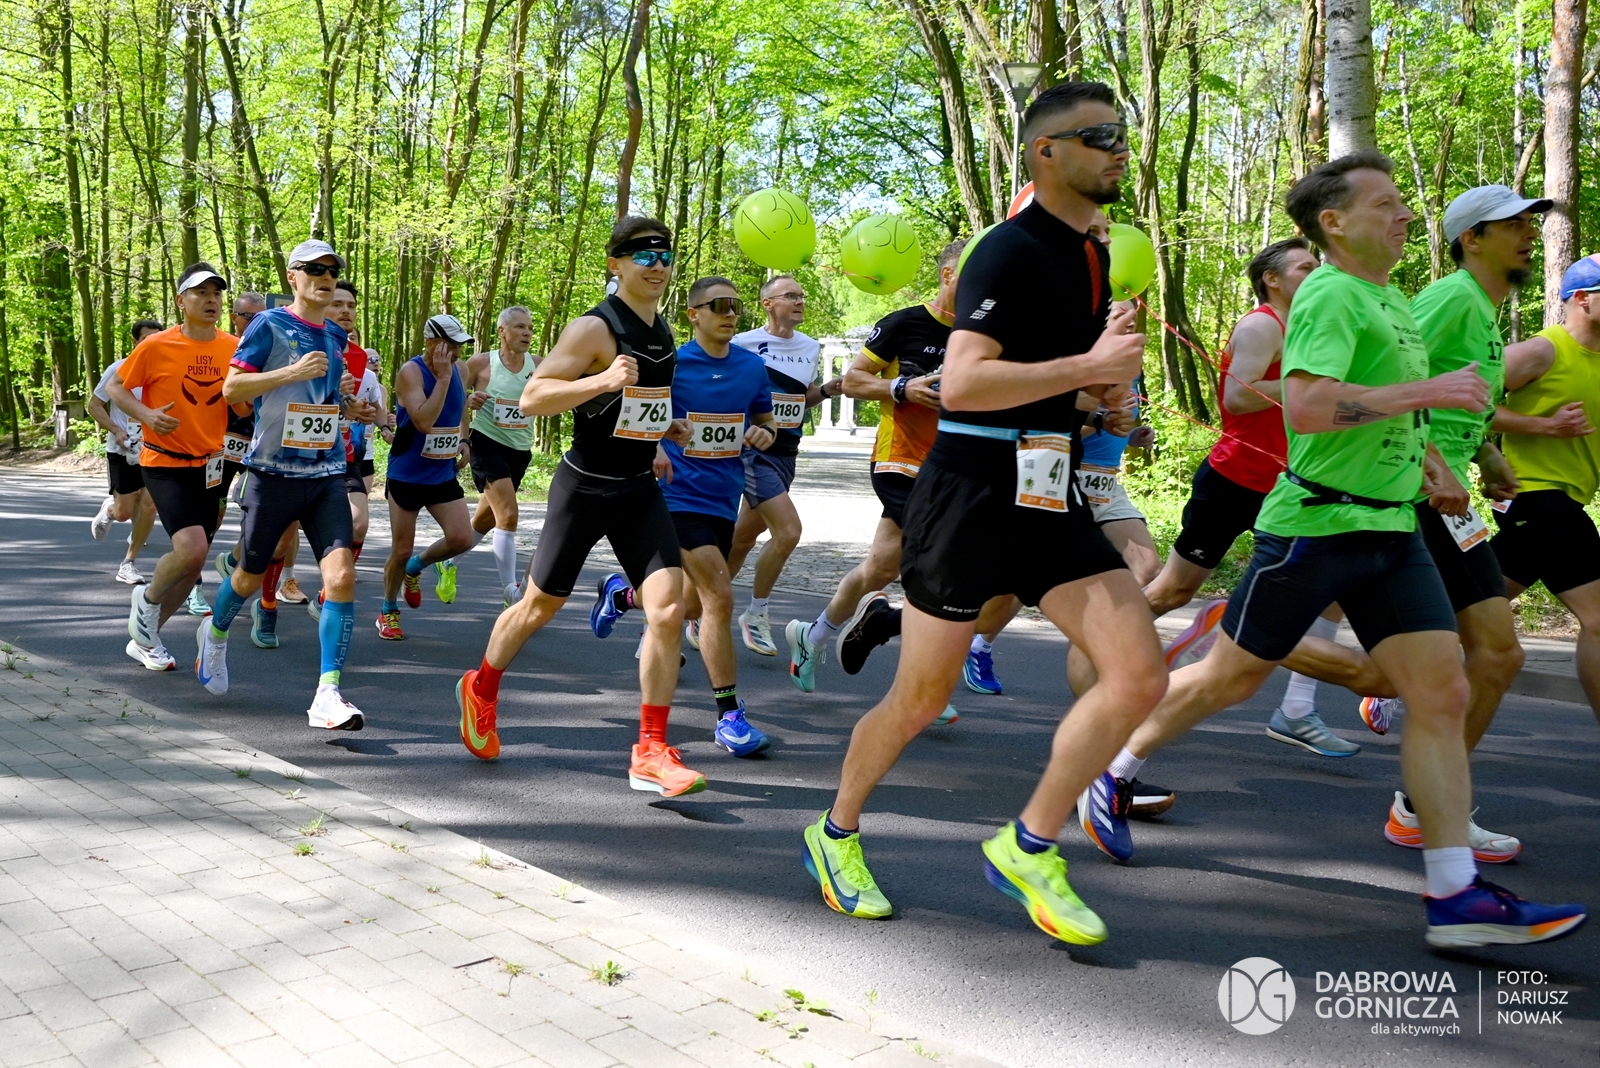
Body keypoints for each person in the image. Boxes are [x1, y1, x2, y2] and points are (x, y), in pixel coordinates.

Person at [1097, 152, 1586, 948]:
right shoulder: (1328, 293)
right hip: (1318, 526)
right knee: (1230, 678)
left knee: (1442, 693)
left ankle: (1455, 898)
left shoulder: (1388, 297)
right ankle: (1112, 767)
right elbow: (1308, 407)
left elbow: (1402, 413)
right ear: (1334, 222)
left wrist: (1435, 460)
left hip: (1393, 529)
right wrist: (1430, 392)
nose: (1406, 215)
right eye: (1386, 204)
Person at [801, 82, 1164, 946]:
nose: (1119, 148)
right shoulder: (1007, 248)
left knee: (1138, 674)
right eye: (1099, 135)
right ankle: (835, 833)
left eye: (1123, 133)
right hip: (969, 497)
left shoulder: (1092, 255)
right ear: (1047, 151)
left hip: (1050, 489)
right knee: (920, 698)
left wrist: (1105, 402)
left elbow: (1049, 383)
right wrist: (1087, 367)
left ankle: (1028, 846)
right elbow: (963, 384)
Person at [455, 216, 695, 790]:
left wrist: (665, 427)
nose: (657, 265)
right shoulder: (594, 328)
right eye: (644, 255)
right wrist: (601, 381)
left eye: (665, 255)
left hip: (637, 488)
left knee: (669, 608)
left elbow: (636, 406)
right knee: (539, 607)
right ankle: (480, 688)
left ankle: (651, 749)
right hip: (584, 487)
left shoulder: (662, 330)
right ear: (616, 265)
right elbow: (535, 398)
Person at [1141, 238, 1365, 758]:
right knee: (1173, 591)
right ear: (1273, 279)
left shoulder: (1312, 330)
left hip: (1293, 485)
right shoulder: (1263, 326)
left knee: (1334, 588)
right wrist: (1312, 385)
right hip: (1235, 481)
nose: (1316, 272)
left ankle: (1297, 709)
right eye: (1305, 266)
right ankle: (1108, 652)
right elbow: (1238, 396)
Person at [197, 239, 379, 731]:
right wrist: (291, 371)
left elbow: (324, 402)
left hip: (325, 475)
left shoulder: (337, 339)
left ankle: (328, 694)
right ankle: (214, 635)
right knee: (249, 575)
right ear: (293, 277)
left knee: (341, 578)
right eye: (314, 269)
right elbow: (232, 389)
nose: (325, 277)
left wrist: (351, 409)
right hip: (272, 475)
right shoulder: (268, 325)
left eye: (332, 271)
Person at [782, 240, 962, 723]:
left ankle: (813, 637)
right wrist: (901, 387)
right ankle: (921, 684)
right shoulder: (904, 324)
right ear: (948, 275)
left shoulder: (980, 333)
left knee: (880, 567)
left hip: (951, 470)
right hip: (900, 462)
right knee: (941, 569)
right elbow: (855, 380)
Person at [610, 276, 779, 757]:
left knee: (687, 605)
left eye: (736, 307)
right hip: (674, 497)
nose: (730, 314)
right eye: (719, 305)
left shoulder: (751, 367)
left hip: (723, 500)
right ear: (693, 314)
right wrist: (657, 446)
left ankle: (622, 596)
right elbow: (635, 415)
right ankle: (729, 717)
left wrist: (765, 434)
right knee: (719, 596)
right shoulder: (673, 363)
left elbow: (765, 420)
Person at [103, 264, 235, 673]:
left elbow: (245, 398)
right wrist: (146, 414)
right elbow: (115, 387)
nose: (211, 300)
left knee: (194, 564)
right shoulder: (156, 345)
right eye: (201, 293)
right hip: (164, 462)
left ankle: (147, 638)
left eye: (216, 293)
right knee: (191, 549)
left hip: (211, 465)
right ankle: (145, 600)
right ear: (181, 301)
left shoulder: (235, 347)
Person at [1492, 252, 1600, 725]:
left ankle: (1389, 675)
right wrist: (1543, 426)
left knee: (1477, 601)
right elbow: (1461, 401)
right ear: (1583, 300)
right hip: (1534, 494)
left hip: (1564, 498)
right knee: (1599, 618)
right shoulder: (1541, 351)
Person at [727, 276, 831, 656]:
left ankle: (702, 603)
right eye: (791, 296)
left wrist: (828, 391)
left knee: (742, 538)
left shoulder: (810, 347)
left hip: (788, 452)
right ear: (768, 304)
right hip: (753, 451)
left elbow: (801, 398)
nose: (800, 301)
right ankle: (756, 613)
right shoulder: (742, 344)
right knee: (788, 532)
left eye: (802, 295)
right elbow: (726, 391)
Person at [376, 314, 480, 638]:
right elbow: (423, 421)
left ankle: (416, 567)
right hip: (407, 473)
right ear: (432, 343)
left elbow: (461, 407)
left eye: (460, 346)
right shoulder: (411, 372)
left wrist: (464, 439)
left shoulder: (460, 369)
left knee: (462, 538)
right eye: (451, 345)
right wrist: (444, 379)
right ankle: (388, 611)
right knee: (400, 550)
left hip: (441, 472)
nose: (457, 352)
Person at [304, 279, 386, 623]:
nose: (345, 311)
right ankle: (265, 605)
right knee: (275, 543)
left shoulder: (360, 357)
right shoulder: (300, 342)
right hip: (295, 456)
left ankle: (327, 593)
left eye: (351, 305)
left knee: (359, 523)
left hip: (342, 454)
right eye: (337, 304)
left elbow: (354, 408)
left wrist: (361, 412)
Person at [463, 306, 539, 606]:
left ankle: (445, 561)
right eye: (519, 327)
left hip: (519, 450)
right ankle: (511, 592)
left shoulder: (540, 365)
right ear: (502, 331)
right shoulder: (481, 363)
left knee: (484, 521)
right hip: (486, 443)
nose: (527, 333)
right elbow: (453, 397)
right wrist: (468, 402)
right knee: (508, 515)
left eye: (530, 328)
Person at [88, 319, 164, 587]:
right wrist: (117, 430)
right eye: (146, 340)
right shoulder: (118, 370)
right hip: (123, 450)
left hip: (155, 450)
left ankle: (128, 563)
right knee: (124, 512)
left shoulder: (167, 372)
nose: (152, 345)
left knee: (150, 505)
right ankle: (109, 511)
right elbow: (94, 405)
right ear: (135, 342)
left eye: (157, 339)